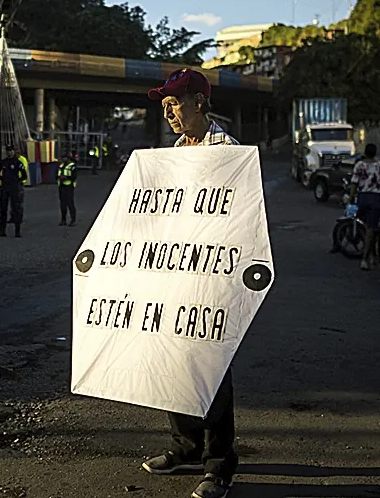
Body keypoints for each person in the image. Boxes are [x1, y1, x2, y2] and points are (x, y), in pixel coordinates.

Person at [141, 68, 238, 498]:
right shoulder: (173, 154)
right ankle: (184, 446)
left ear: (199, 102)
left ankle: (218, 466)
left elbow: (240, 218)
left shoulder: (230, 152)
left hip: (213, 279)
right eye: (165, 107)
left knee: (211, 371)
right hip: (174, 275)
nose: (170, 114)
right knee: (174, 364)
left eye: (175, 103)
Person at [349, 143, 380, 271]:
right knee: (371, 229)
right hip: (376, 198)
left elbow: (354, 183)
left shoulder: (359, 165)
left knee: (367, 228)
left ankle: (366, 257)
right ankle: (370, 256)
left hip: (363, 198)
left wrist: (350, 199)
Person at [0, 144, 27, 238]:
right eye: (8, 150)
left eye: (11, 150)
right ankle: (2, 230)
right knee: (3, 209)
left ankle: (17, 231)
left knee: (16, 209)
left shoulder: (17, 162)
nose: (9, 152)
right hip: (5, 188)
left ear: (14, 151)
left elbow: (24, 176)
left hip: (14, 188)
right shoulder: (3, 162)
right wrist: (3, 179)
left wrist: (17, 181)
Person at [57, 150, 78, 227]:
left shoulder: (73, 166)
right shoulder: (61, 165)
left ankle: (73, 220)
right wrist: (60, 177)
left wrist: (66, 178)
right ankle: (63, 220)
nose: (63, 159)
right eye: (62, 157)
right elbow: (57, 175)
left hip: (69, 187)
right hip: (61, 186)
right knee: (62, 204)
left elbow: (74, 177)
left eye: (64, 157)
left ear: (68, 158)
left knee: (70, 203)